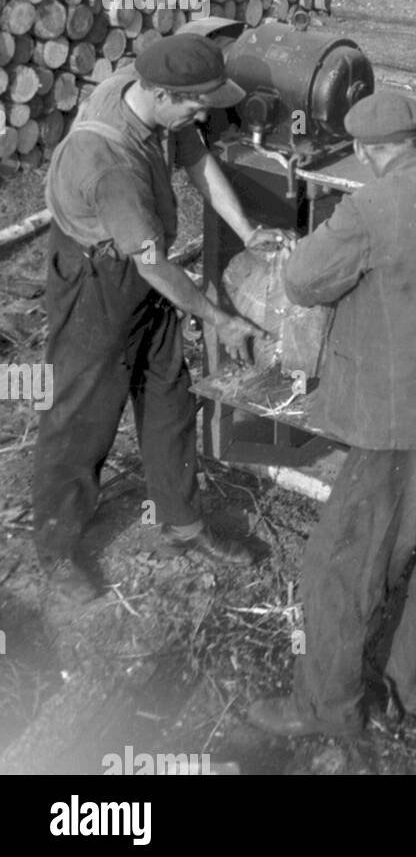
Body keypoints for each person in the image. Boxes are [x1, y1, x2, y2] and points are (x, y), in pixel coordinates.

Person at [247, 89, 416, 741]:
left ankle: (327, 710)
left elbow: (302, 279)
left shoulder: (368, 208)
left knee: (340, 569)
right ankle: (402, 695)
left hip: (404, 430)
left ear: (363, 150)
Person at [37, 34, 277, 605]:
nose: (204, 116)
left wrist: (247, 232)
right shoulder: (108, 163)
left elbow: (196, 158)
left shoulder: (143, 91)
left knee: (170, 394)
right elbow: (156, 270)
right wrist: (219, 319)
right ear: (164, 94)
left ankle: (183, 524)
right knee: (83, 413)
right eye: (196, 106)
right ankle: (56, 549)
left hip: (141, 262)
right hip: (98, 280)